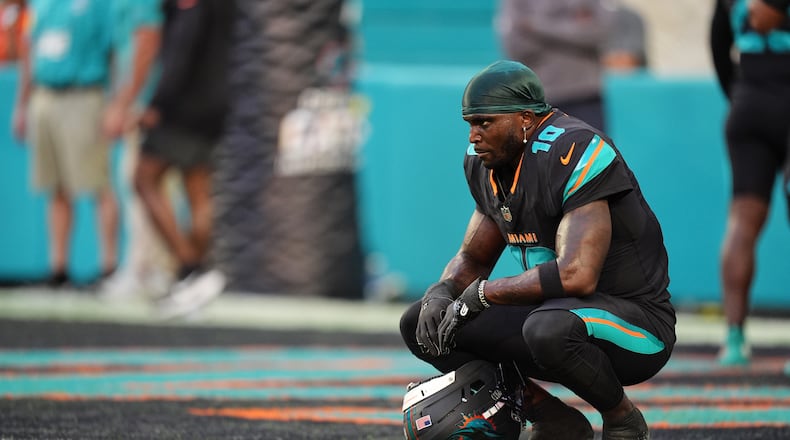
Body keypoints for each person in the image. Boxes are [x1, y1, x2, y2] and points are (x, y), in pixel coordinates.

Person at [399, 60, 676, 439]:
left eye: (484, 123)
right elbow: (474, 258)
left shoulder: (573, 150)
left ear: (526, 119)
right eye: (470, 124)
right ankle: (552, 416)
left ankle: (622, 418)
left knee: (547, 329)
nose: (474, 136)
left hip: (637, 325)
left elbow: (577, 274)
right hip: (551, 313)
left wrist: (483, 294)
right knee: (422, 324)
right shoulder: (486, 163)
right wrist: (441, 291)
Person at [134, 0, 233, 318]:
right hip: (216, 100)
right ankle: (196, 277)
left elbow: (183, 46)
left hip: (185, 103)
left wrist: (158, 102)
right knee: (198, 189)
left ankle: (192, 268)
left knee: (144, 178)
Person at [11, 0, 118, 288]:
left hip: (83, 93)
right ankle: (59, 269)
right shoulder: (40, 4)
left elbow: (115, 50)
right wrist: (22, 103)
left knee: (98, 183)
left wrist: (116, 103)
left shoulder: (99, 4)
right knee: (56, 186)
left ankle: (109, 268)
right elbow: (29, 48)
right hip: (45, 94)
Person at [710, 0, 790, 366]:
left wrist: (742, 94)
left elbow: (718, 46)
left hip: (749, 103)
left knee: (741, 223)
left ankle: (734, 338)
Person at [98, 0, 176, 300]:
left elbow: (148, 41)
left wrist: (125, 103)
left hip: (149, 105)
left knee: (143, 183)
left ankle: (151, 269)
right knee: (136, 184)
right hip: (142, 102)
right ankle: (147, 267)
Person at [496, 0, 615, 132]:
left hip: (586, 98)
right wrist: (574, 32)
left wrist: (535, 27)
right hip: (541, 104)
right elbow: (516, 48)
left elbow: (600, 33)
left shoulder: (533, 25)